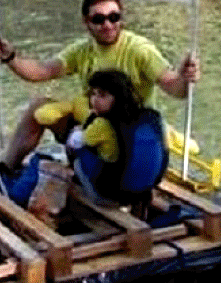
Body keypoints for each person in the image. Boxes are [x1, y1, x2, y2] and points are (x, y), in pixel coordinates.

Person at [0, 0, 200, 172]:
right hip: (93, 125)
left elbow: (174, 87)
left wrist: (185, 77)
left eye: (114, 17)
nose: (108, 25)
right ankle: (7, 168)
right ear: (86, 22)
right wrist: (10, 58)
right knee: (37, 107)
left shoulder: (140, 50)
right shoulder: (82, 50)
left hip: (129, 134)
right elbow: (42, 71)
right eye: (98, 19)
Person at [65, 70, 168, 215]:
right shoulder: (148, 117)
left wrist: (78, 130)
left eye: (102, 95)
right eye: (93, 94)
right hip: (143, 191)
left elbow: (74, 142)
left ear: (118, 97)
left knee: (76, 150)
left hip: (109, 196)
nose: (94, 100)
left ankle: (79, 192)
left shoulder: (103, 123)